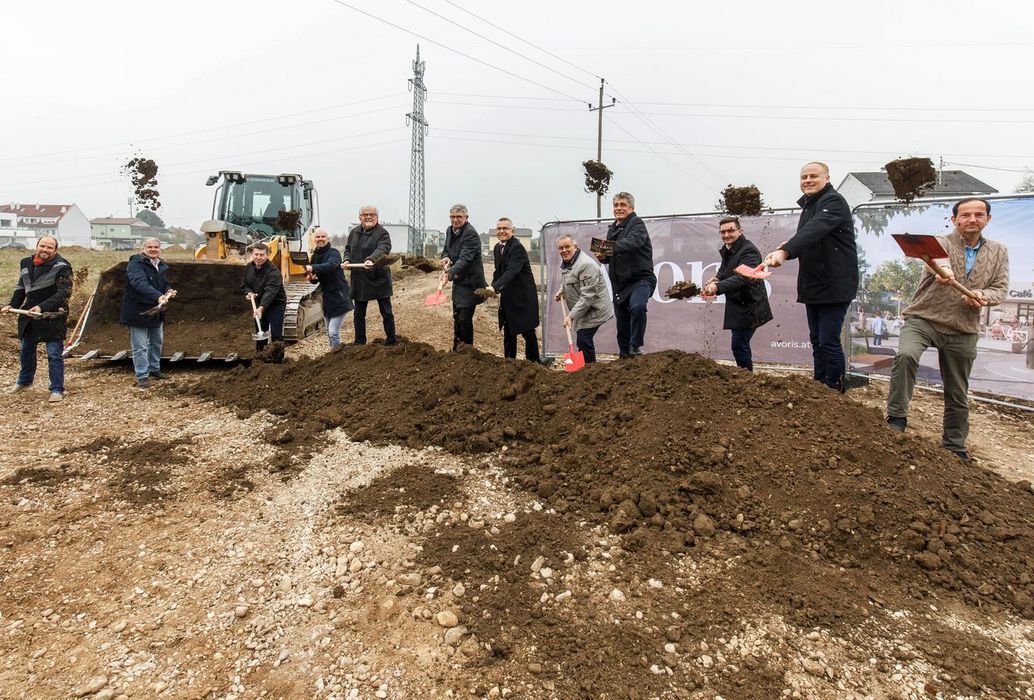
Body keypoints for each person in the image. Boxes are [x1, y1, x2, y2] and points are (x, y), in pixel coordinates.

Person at [886, 198, 1010, 461]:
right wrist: (944, 271)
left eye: (979, 214)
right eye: (965, 215)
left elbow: (1000, 289)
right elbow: (936, 261)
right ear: (955, 220)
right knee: (906, 355)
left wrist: (981, 294)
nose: (972, 219)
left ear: (988, 219)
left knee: (957, 389)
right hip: (924, 318)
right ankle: (896, 418)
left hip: (963, 327)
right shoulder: (941, 242)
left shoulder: (999, 251)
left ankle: (954, 444)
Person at [764, 162, 858, 391]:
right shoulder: (810, 206)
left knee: (828, 341)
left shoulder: (833, 201)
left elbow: (815, 229)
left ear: (827, 178)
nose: (807, 180)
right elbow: (811, 238)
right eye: (803, 176)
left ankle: (835, 390)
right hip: (814, 284)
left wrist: (785, 252)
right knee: (817, 341)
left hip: (834, 284)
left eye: (813, 176)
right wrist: (789, 246)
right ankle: (820, 388)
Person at [3, 236, 72, 402]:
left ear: (55, 250)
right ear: (37, 246)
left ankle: (57, 389)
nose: (45, 250)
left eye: (50, 248)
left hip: (53, 315)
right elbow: (21, 287)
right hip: (29, 315)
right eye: (43, 246)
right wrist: (12, 304)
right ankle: (24, 381)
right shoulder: (25, 263)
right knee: (26, 350)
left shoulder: (63, 266)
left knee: (54, 354)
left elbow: (63, 293)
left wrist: (42, 307)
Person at [702, 217, 773, 371]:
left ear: (740, 231)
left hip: (750, 305)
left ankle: (746, 379)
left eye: (731, 230)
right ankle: (746, 378)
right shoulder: (729, 248)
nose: (726, 234)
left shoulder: (749, 250)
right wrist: (717, 278)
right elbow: (725, 268)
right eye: (723, 232)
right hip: (738, 304)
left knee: (739, 346)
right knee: (740, 346)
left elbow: (743, 278)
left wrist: (717, 287)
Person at [594, 192, 655, 358]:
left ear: (631, 208)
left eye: (623, 205)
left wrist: (608, 248)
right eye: (616, 205)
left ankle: (635, 346)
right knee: (622, 328)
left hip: (640, 279)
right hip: (620, 285)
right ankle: (624, 356)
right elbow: (611, 257)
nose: (618, 208)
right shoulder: (612, 229)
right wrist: (603, 256)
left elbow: (633, 242)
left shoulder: (637, 224)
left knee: (637, 307)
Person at [120, 238, 175, 389]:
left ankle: (154, 369)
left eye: (156, 247)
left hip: (155, 311)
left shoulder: (159, 265)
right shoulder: (135, 264)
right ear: (142, 248)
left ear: (160, 249)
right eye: (149, 247)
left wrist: (168, 290)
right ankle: (142, 376)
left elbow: (163, 282)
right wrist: (157, 296)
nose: (153, 249)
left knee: (157, 341)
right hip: (137, 311)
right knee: (140, 346)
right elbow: (139, 283)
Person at [486, 218, 539, 362]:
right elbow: (499, 271)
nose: (502, 231)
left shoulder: (517, 248)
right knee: (509, 330)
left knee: (528, 331)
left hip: (523, 296)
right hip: (509, 296)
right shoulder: (497, 248)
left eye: (505, 228)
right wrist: (491, 287)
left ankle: (534, 363)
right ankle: (509, 362)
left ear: (512, 231)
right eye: (499, 228)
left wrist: (495, 287)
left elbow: (512, 271)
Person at [555, 235, 613, 363]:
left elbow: (588, 296)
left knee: (583, 339)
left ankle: (590, 371)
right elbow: (568, 279)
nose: (564, 250)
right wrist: (562, 290)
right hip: (584, 309)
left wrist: (571, 316)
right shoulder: (566, 261)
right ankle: (585, 370)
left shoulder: (586, 265)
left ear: (575, 247)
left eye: (567, 247)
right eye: (561, 248)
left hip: (596, 309)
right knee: (582, 340)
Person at [343, 206, 395, 346]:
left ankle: (391, 340)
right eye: (365, 214)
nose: (368, 217)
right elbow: (348, 249)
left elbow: (383, 249)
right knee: (358, 314)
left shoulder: (382, 233)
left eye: (372, 214)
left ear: (377, 217)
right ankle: (359, 341)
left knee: (386, 312)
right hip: (359, 279)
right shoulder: (354, 232)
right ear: (359, 217)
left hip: (379, 278)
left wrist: (371, 259)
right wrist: (346, 260)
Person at [440, 204, 487, 350]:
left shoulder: (470, 234)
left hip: (471, 282)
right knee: (457, 317)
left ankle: (467, 352)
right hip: (460, 281)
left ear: (466, 218)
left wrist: (449, 273)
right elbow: (446, 249)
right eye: (452, 217)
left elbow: (465, 259)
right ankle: (457, 350)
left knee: (465, 318)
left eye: (459, 217)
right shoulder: (450, 231)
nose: (455, 220)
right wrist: (445, 257)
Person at [304, 227, 353, 349]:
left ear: (328, 239)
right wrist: (312, 278)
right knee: (328, 332)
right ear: (314, 239)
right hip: (327, 298)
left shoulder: (334, 253)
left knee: (333, 332)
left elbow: (330, 266)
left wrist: (312, 267)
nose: (320, 239)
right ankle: (335, 354)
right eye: (318, 237)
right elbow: (317, 279)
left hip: (339, 295)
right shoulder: (315, 255)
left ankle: (337, 356)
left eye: (323, 237)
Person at [241, 242, 287, 351]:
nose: (258, 257)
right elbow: (245, 285)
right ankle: (260, 359)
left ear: (267, 255)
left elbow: (271, 291)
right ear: (252, 254)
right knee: (260, 332)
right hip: (258, 303)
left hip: (275, 304)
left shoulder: (273, 271)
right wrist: (249, 292)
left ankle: (277, 360)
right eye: (256, 254)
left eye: (262, 255)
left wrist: (261, 307)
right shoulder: (248, 268)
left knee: (276, 333)